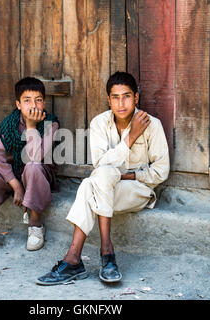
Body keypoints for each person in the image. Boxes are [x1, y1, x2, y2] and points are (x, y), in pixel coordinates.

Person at [36, 71, 169, 285]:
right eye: (115, 97)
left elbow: (161, 172)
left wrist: (126, 174)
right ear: (109, 100)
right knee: (97, 180)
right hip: (106, 186)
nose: (121, 103)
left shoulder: (151, 124)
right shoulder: (99, 123)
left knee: (91, 184)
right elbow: (101, 165)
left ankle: (78, 259)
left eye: (126, 96)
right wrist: (131, 137)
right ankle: (101, 256)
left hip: (137, 189)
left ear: (136, 97)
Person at [0, 77, 60, 256]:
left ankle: (35, 224)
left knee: (32, 167)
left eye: (38, 100)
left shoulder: (51, 124)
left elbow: (37, 157)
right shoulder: (9, 125)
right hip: (14, 176)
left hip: (39, 174)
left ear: (44, 103)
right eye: (27, 100)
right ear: (18, 104)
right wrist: (16, 186)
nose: (33, 105)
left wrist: (31, 127)